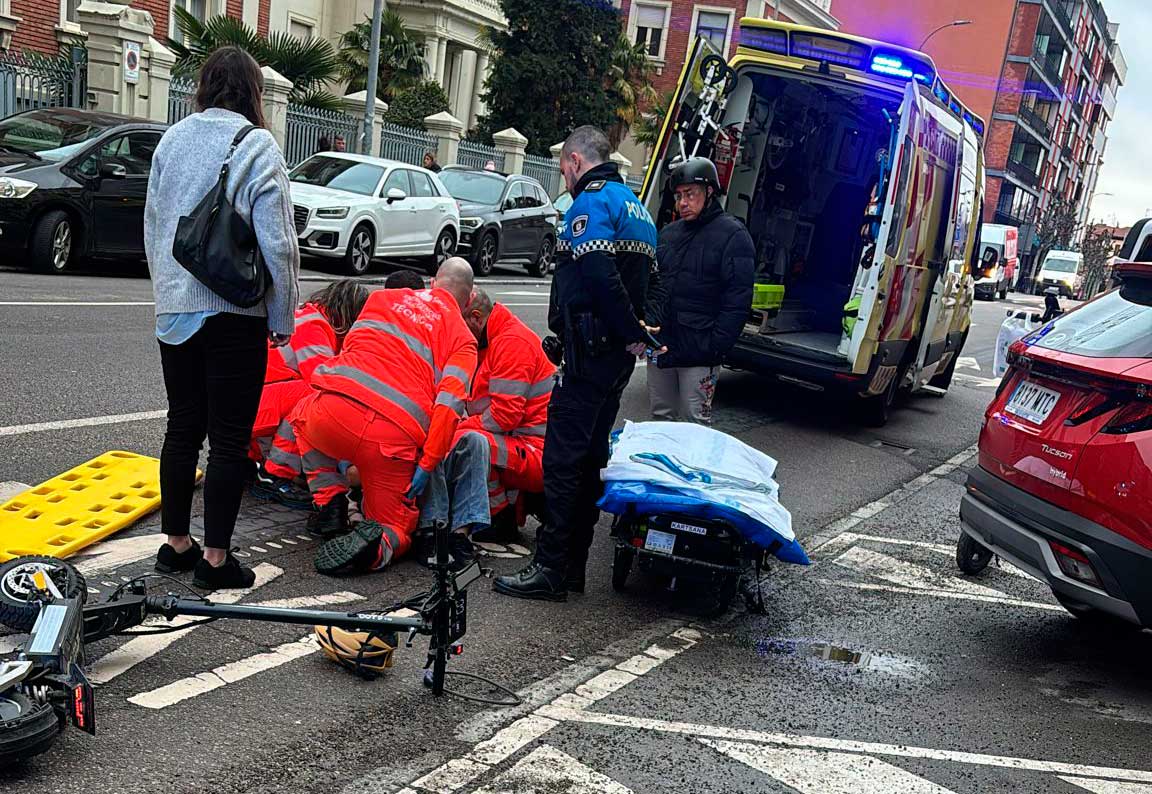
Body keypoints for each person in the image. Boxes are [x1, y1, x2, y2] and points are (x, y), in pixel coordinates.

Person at [144, 46, 299, 590]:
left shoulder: (171, 140)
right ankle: (215, 561)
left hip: (176, 311)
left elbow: (155, 225)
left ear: (205, 86)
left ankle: (175, 545)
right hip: (234, 312)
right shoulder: (258, 145)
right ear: (255, 92)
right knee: (229, 439)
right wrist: (281, 316)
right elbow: (278, 244)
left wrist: (166, 293)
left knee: (182, 425)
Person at [493, 125, 659, 602]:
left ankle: (549, 567)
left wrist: (630, 330)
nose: (565, 177)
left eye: (564, 168)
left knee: (564, 463)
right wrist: (642, 333)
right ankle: (573, 567)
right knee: (590, 461)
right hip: (614, 362)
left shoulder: (591, 202)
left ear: (572, 161)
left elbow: (599, 276)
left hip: (588, 355)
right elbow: (655, 284)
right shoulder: (639, 210)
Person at [291, 258, 478, 575]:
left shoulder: (381, 299)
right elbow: (448, 409)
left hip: (334, 412)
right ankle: (376, 550)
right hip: (392, 438)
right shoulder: (464, 339)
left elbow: (352, 347)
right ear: (470, 299)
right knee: (396, 525)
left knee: (301, 420)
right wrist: (428, 463)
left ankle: (331, 503)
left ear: (433, 282)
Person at [417, 287, 553, 554]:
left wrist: (455, 429)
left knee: (468, 442)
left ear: (476, 318)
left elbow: (503, 417)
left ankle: (498, 516)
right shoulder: (492, 340)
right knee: (462, 438)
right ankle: (497, 510)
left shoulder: (512, 344)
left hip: (536, 449)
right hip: (522, 442)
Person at [644, 158, 754, 424]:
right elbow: (655, 285)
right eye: (679, 195)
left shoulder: (733, 235)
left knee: (694, 425)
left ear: (709, 192)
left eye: (690, 194)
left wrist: (715, 347)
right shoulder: (669, 234)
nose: (682, 202)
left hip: (700, 351)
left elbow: (737, 302)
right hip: (662, 347)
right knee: (660, 419)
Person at [250, 280, 369, 512]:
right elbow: (324, 381)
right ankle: (275, 473)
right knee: (315, 397)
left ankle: (279, 466)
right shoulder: (312, 325)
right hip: (255, 407)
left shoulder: (312, 318)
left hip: (254, 404)